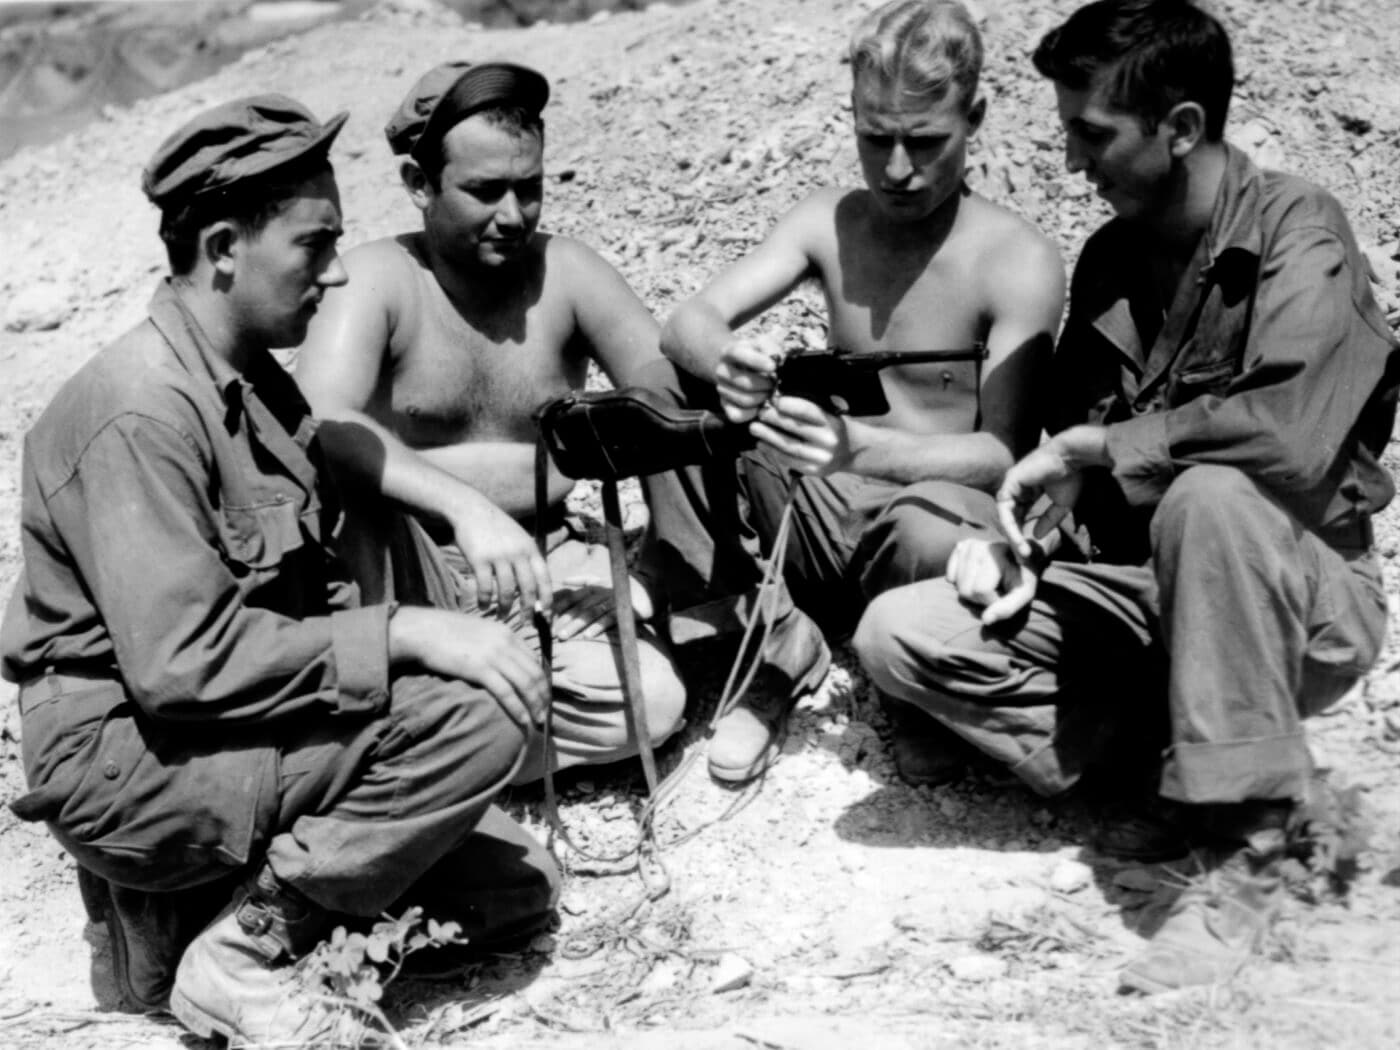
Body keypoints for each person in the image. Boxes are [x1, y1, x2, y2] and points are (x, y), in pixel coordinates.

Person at [853, 0, 1397, 993]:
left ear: (1179, 128)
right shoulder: (1110, 257)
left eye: (1089, 133)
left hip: (1299, 595)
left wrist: (1105, 446)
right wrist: (1021, 544)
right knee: (904, 633)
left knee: (1211, 498)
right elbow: (1065, 472)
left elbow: (1285, 435)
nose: (1068, 160)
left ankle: (1249, 857)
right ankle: (1204, 767)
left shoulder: (1295, 228)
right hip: (1149, 593)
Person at [1, 96, 560, 1045]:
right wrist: (410, 631)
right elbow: (182, 666)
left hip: (210, 726)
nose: (338, 272)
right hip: (127, 753)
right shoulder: (138, 413)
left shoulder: (249, 376)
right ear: (224, 246)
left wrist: (456, 505)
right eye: (314, 245)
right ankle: (240, 951)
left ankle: (179, 920)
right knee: (475, 718)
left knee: (515, 896)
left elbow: (338, 444)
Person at [651, 0, 1065, 784]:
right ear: (852, 117)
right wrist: (732, 361)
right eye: (876, 139)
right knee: (669, 390)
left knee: (938, 537)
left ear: (974, 117)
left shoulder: (1016, 258)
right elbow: (689, 322)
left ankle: (911, 680)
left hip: (925, 518)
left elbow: (1005, 453)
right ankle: (771, 641)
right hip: (815, 506)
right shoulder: (828, 221)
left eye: (925, 141)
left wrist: (863, 448)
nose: (898, 169)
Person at [294, 60, 686, 782]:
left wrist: (650, 560)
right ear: (419, 186)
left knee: (654, 706)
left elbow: (665, 393)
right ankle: (440, 742)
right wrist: (467, 509)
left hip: (554, 564)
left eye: (528, 188)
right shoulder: (377, 281)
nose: (513, 214)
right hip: (416, 572)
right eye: (483, 191)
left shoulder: (568, 273)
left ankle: (439, 752)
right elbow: (322, 419)